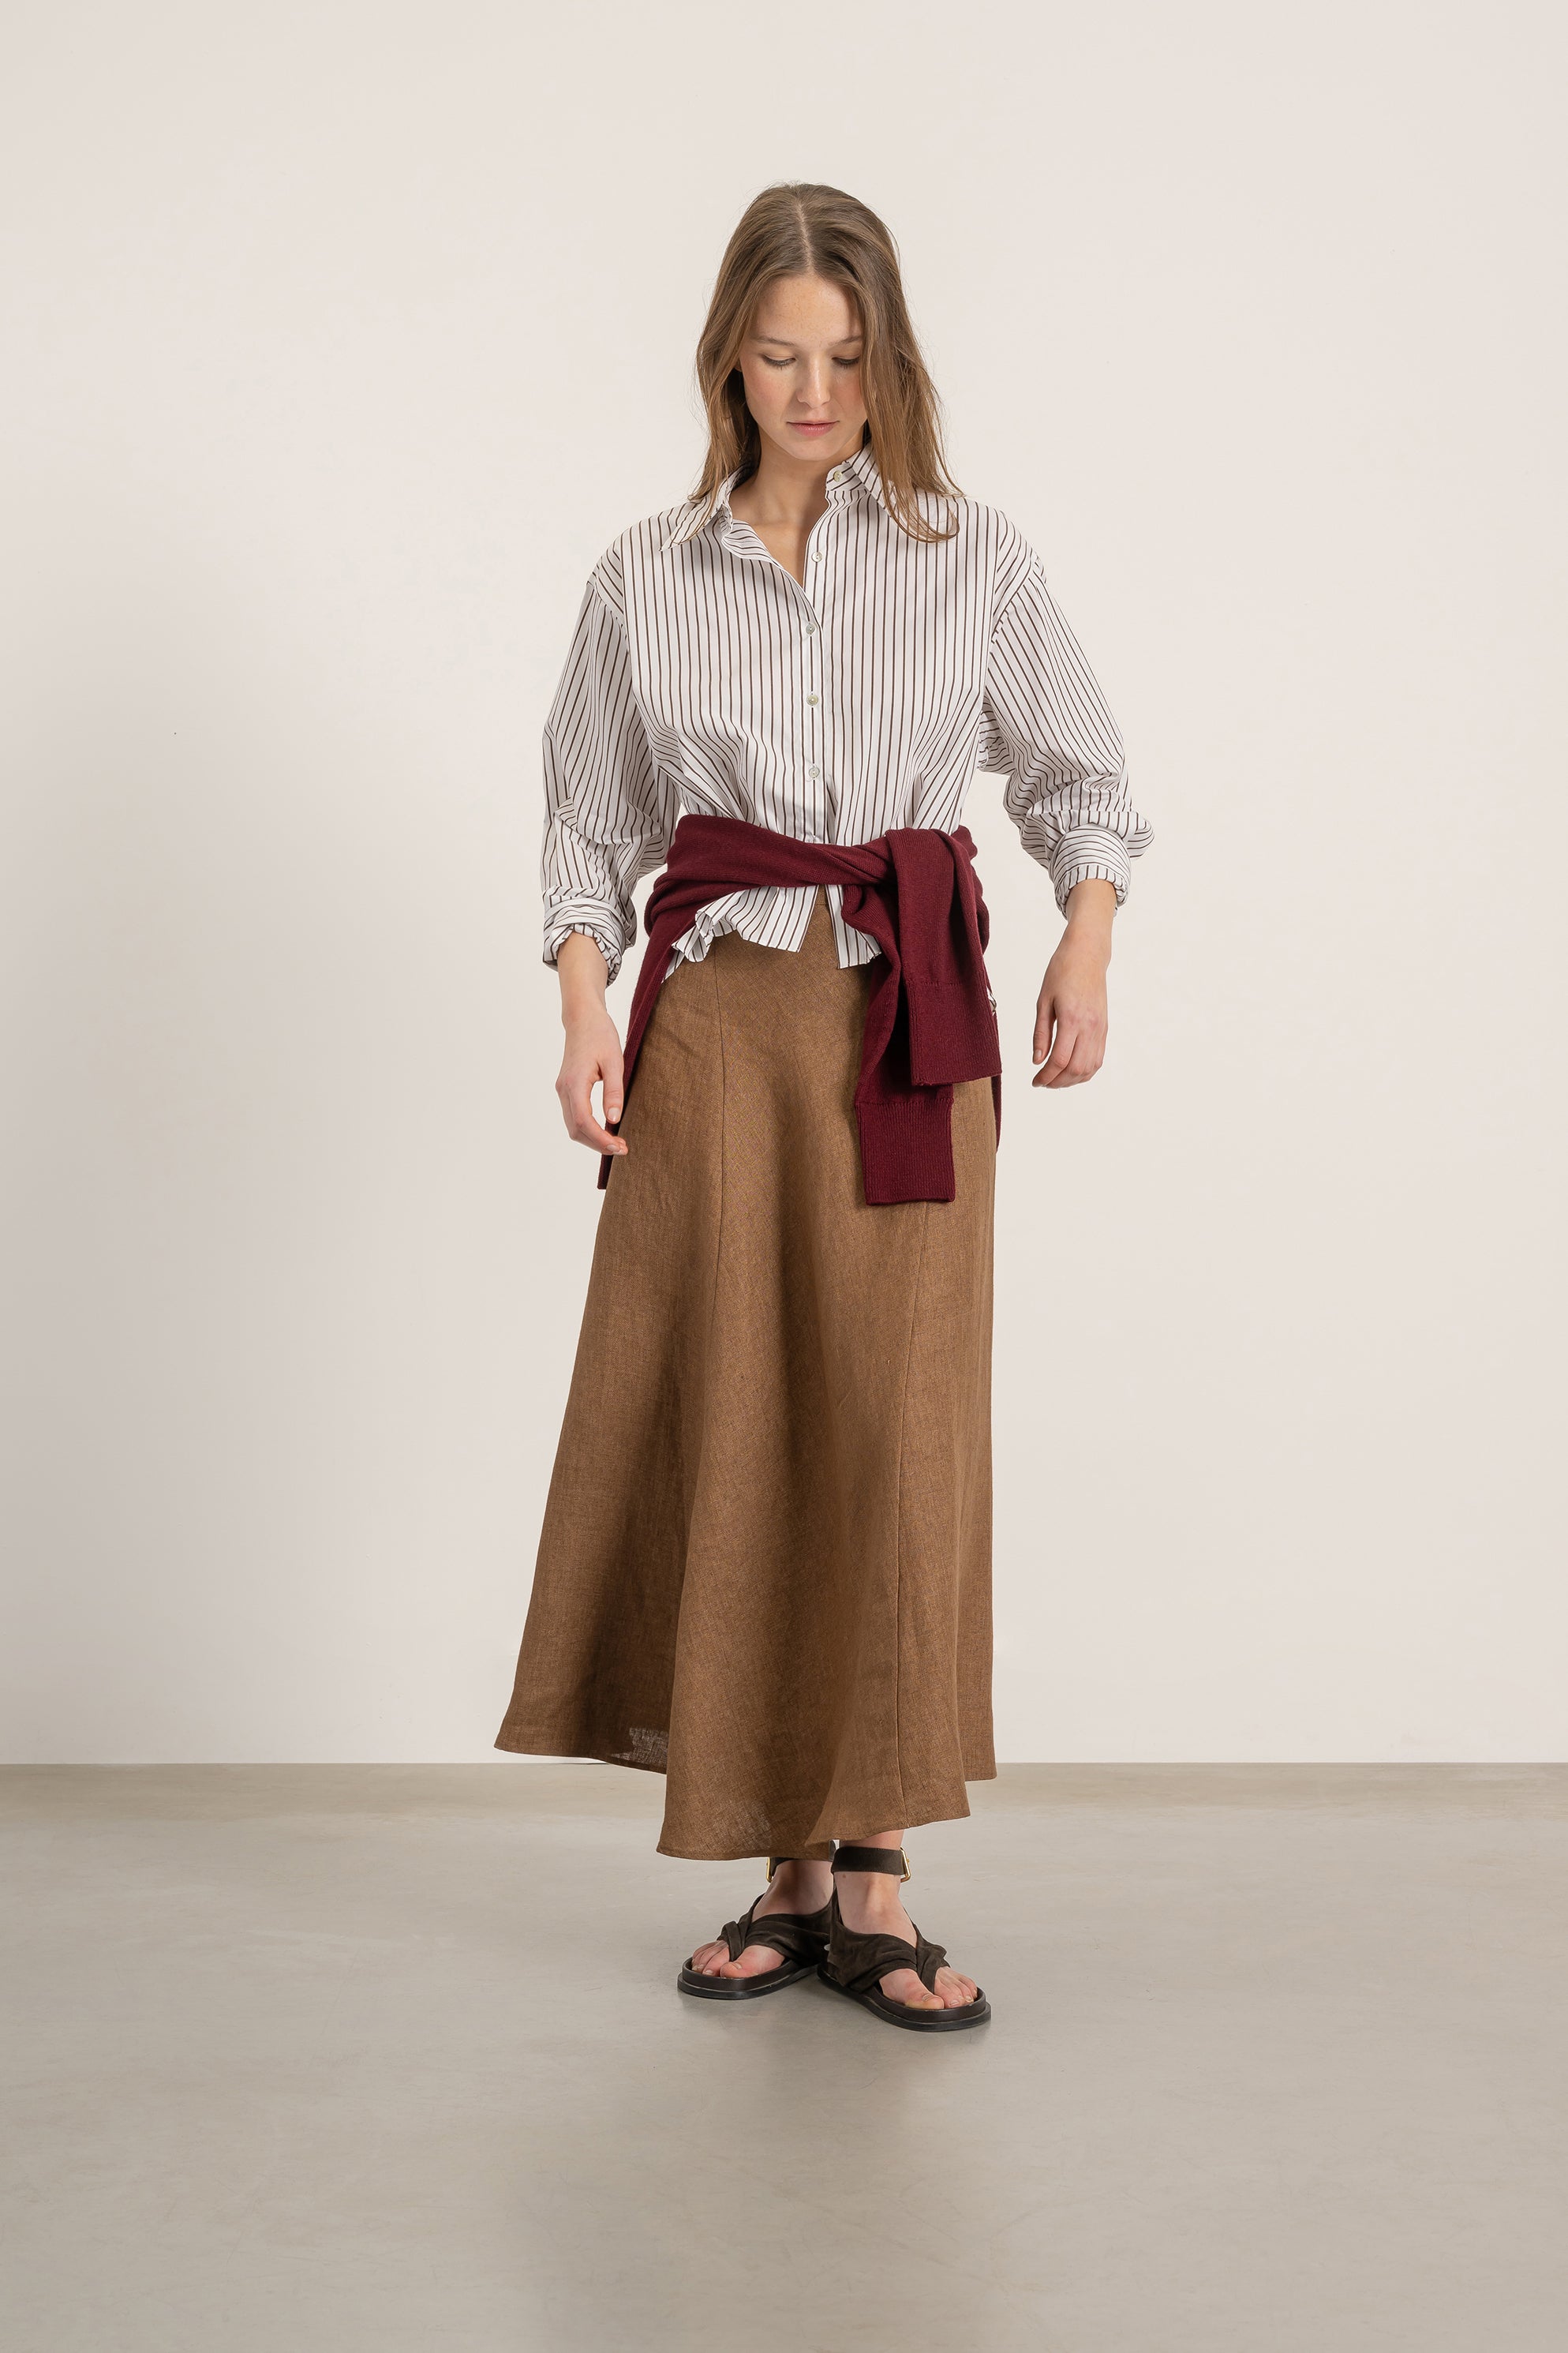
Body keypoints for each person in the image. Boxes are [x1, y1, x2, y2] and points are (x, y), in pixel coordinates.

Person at [496, 181, 1151, 2033]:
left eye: (847, 358)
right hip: (719, 1031)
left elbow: (1083, 780)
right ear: (727, 358)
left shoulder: (969, 553)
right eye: (780, 356)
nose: (814, 393)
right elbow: (588, 824)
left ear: (890, 360)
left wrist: (1085, 945)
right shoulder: (645, 574)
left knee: (898, 1420)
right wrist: (582, 1011)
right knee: (738, 1412)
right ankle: (782, 1866)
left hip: (908, 1019)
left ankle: (878, 1870)